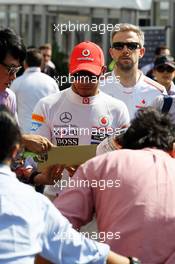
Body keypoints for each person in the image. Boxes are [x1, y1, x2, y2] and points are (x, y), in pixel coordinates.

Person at [0, 105, 136, 264]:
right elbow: (76, 248)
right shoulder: (35, 204)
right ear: (16, 150)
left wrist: (38, 177)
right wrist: (130, 262)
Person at [54, 107, 175, 264]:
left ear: (123, 143)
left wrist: (99, 255)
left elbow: (55, 227)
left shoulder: (100, 164)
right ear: (172, 149)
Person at [31, 41, 130, 196]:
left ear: (102, 72)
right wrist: (63, 163)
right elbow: (33, 156)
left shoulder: (118, 109)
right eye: (78, 75)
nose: (84, 81)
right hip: (58, 198)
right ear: (70, 71)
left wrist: (89, 168)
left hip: (101, 201)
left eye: (90, 75)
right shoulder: (46, 105)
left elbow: (126, 160)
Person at [100, 23, 166, 119]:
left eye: (132, 46)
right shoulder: (96, 87)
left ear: (141, 52)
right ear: (112, 52)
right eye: (118, 46)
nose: (125, 50)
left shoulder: (158, 92)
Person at [10, 48, 59, 133]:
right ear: (41, 64)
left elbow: (10, 110)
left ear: (25, 63)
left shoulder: (16, 82)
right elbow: (57, 109)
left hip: (23, 135)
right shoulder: (51, 82)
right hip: (45, 134)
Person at [0, 27, 26, 120]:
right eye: (11, 69)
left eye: (16, 70)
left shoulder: (9, 97)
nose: (14, 77)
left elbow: (12, 134)